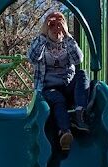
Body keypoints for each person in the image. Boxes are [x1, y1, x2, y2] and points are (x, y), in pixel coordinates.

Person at [28, 12, 89, 152]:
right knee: (58, 98)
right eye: (52, 25)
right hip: (49, 89)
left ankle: (80, 113)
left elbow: (78, 59)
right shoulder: (41, 43)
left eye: (59, 25)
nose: (56, 29)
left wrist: (66, 35)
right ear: (46, 28)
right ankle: (64, 131)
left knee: (82, 74)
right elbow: (32, 57)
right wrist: (43, 34)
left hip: (67, 86)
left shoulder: (67, 43)